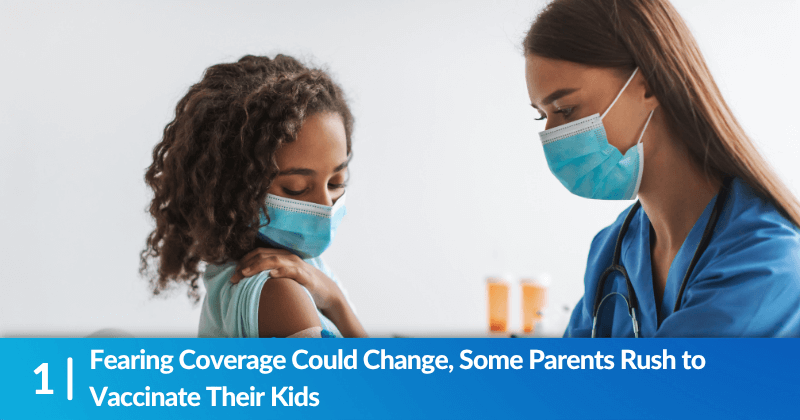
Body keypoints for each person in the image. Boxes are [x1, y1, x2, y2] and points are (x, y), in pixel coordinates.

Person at [522, 0, 800, 337]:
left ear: (650, 85)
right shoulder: (613, 250)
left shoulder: (764, 261)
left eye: (565, 110)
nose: (552, 136)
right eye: (541, 116)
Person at [140, 54, 367, 338]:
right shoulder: (279, 289)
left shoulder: (305, 270)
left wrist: (332, 295)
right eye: (296, 188)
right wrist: (336, 303)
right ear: (235, 187)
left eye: (336, 181)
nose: (325, 205)